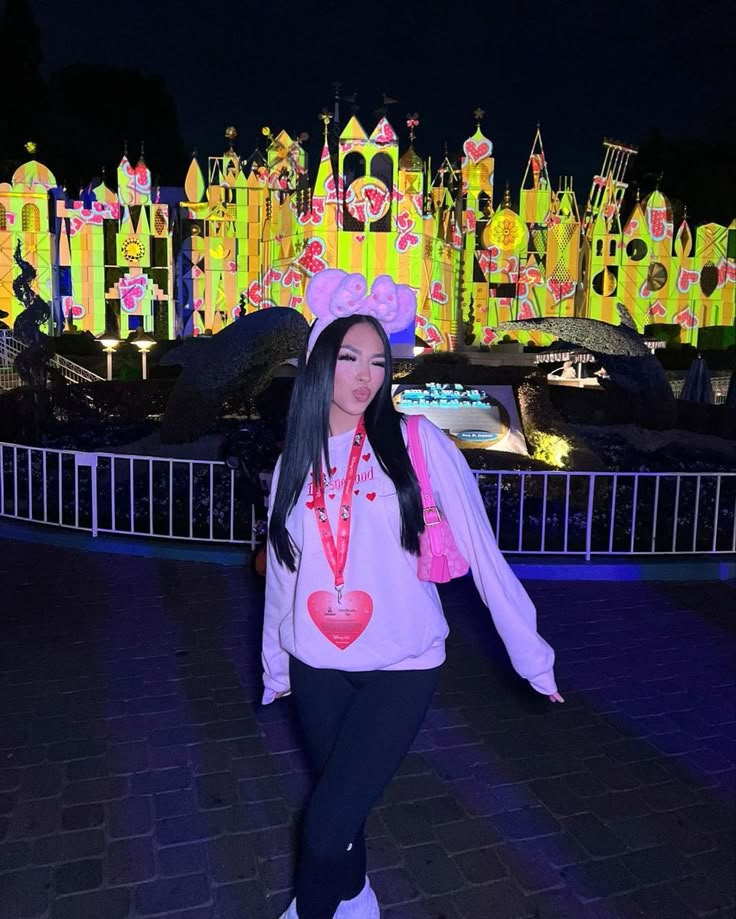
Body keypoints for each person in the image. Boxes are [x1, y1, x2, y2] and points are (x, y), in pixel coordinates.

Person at [263, 270, 563, 919]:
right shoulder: (296, 458)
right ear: (320, 362)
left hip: (401, 664)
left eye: (378, 359)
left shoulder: (418, 441)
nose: (366, 373)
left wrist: (529, 652)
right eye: (348, 357)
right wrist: (275, 663)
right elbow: (286, 571)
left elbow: (483, 550)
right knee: (341, 798)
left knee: (322, 822)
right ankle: (355, 895)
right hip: (317, 663)